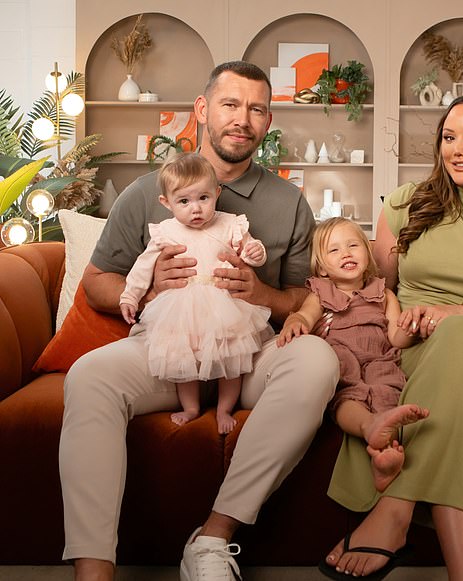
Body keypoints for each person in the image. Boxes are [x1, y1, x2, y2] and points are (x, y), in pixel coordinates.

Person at [59, 61, 339, 581]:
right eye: (231, 104)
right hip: (167, 350)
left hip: (247, 353)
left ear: (268, 121)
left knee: (317, 360)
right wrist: (149, 292)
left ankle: (212, 537)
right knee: (89, 376)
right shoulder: (146, 192)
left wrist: (262, 293)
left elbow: (304, 295)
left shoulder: (287, 201)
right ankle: (93, 570)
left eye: (257, 109)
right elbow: (96, 282)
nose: (243, 119)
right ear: (203, 109)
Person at [319, 93, 463, 581]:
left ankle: (394, 512)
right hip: (411, 346)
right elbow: (372, 289)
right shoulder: (405, 204)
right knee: (446, 376)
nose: (457, 149)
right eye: (449, 137)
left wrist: (461, 313)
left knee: (459, 334)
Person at [119, 152, 273, 431]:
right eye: (184, 201)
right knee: (183, 358)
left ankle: (225, 410)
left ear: (217, 193)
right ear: (166, 203)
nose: (196, 209)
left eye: (203, 198)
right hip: (182, 306)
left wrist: (255, 252)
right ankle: (190, 407)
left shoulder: (230, 224)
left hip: (223, 304)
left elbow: (250, 252)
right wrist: (130, 296)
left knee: (231, 357)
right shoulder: (166, 231)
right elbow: (143, 266)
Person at [277, 217, 429, 493]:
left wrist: (411, 328)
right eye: (334, 250)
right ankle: (368, 425)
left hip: (379, 359)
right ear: (322, 269)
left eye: (353, 245)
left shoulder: (384, 294)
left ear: (367, 253)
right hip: (340, 358)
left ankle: (384, 454)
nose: (346, 253)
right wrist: (295, 323)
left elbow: (396, 337)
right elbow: (304, 316)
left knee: (388, 389)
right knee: (347, 396)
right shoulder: (321, 293)